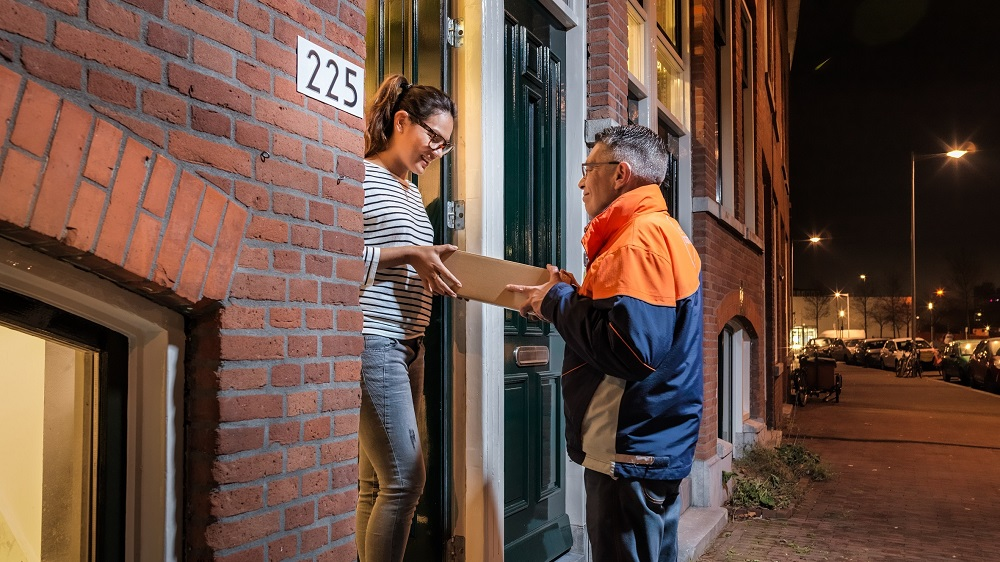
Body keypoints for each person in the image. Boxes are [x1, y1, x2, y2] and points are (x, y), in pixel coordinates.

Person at [507, 125, 704, 562]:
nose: (580, 180)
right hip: (647, 445)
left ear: (621, 174)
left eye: (588, 168)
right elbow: (632, 328)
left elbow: (631, 349)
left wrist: (557, 302)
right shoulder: (659, 232)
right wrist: (571, 297)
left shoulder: (636, 243)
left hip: (629, 448)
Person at [356, 74, 461, 562]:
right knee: (405, 479)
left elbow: (408, 255)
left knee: (376, 482)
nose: (437, 151)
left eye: (446, 145)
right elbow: (338, 258)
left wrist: (432, 264)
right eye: (433, 137)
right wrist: (409, 255)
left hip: (410, 344)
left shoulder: (411, 190)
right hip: (377, 339)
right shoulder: (360, 177)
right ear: (402, 121)